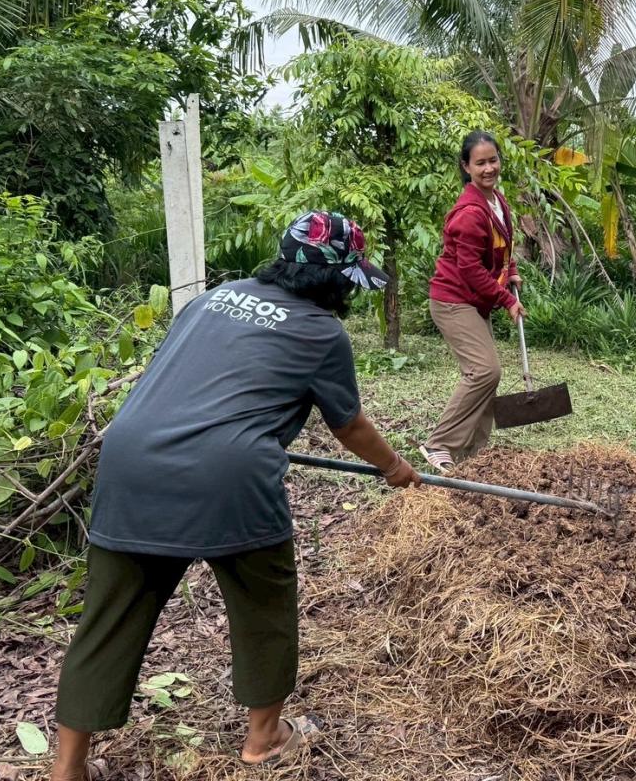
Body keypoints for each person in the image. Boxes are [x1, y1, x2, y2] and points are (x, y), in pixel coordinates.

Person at [49, 210, 421, 781]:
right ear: (335, 279)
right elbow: (348, 424)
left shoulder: (213, 299)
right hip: (228, 477)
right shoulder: (323, 332)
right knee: (263, 607)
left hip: (131, 461)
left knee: (107, 620)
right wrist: (395, 468)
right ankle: (264, 738)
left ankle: (68, 769)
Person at [419, 130, 524, 471]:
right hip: (453, 300)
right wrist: (506, 299)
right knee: (484, 371)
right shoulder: (469, 213)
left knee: (487, 375)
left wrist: (510, 270)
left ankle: (473, 458)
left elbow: (501, 247)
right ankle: (439, 444)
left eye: (493, 160)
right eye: (480, 163)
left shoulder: (496, 201)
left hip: (473, 301)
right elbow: (469, 269)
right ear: (466, 167)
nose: (489, 168)